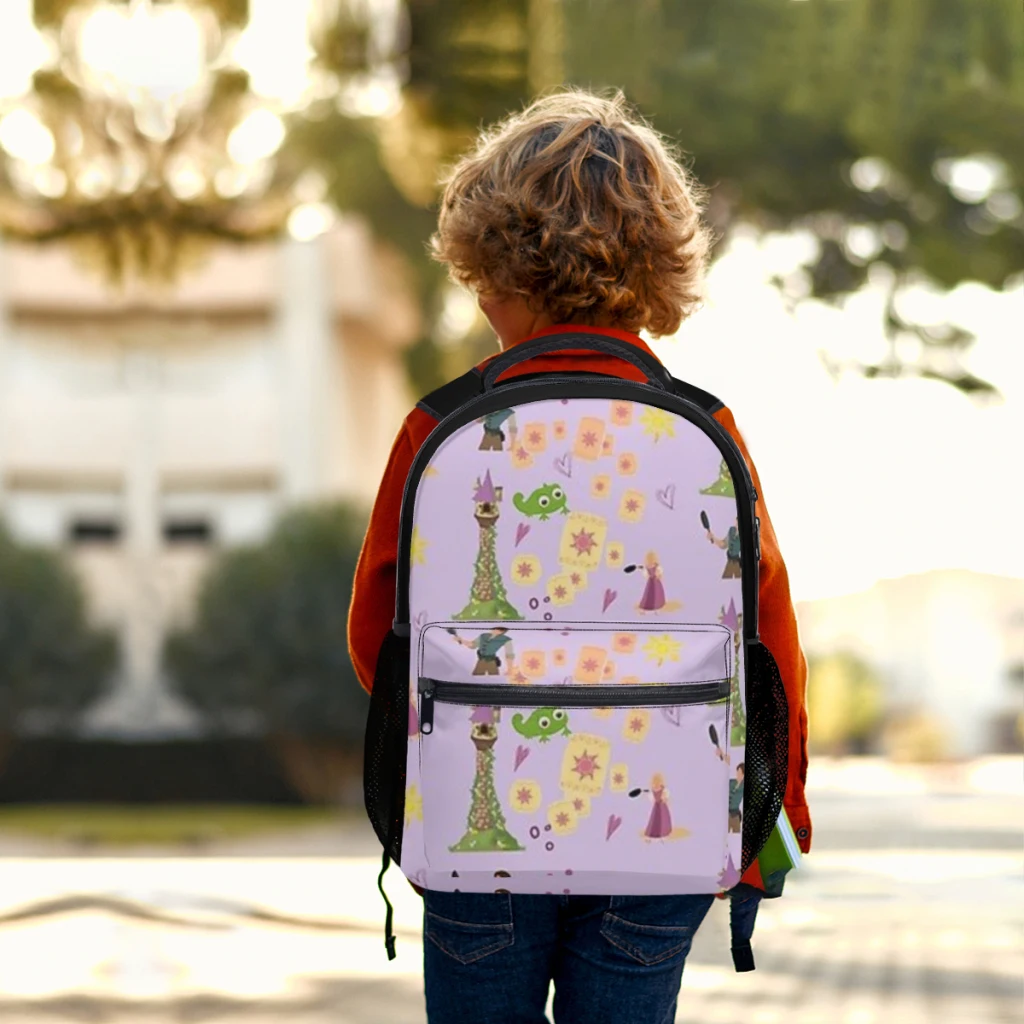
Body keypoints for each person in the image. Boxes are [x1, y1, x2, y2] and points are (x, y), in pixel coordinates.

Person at [349, 89, 810, 1024]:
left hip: (484, 848)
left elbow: (375, 636)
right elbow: (769, 640)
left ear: (495, 269)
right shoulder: (706, 427)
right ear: (659, 268)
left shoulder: (438, 427)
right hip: (663, 833)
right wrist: (777, 809)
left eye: (480, 278)